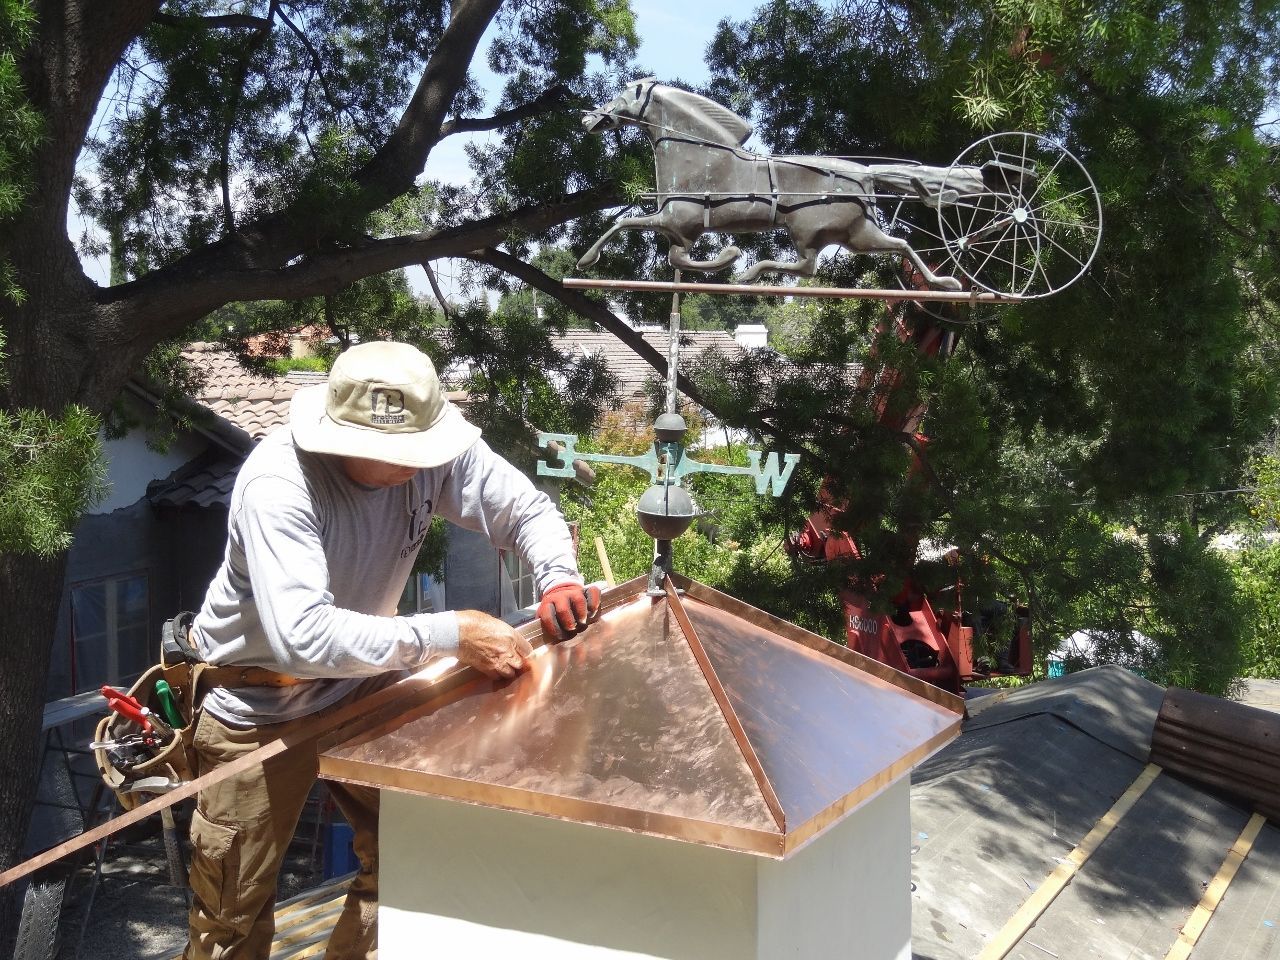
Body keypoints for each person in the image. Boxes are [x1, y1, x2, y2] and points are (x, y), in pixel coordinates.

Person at [182, 341, 601, 959]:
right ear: (341, 437)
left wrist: (558, 577)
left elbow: (527, 509)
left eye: (422, 450)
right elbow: (305, 639)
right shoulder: (278, 484)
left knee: (419, 847)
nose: (417, 466)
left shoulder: (433, 454)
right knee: (232, 918)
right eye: (398, 454)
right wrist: (453, 634)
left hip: (360, 680)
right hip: (255, 703)